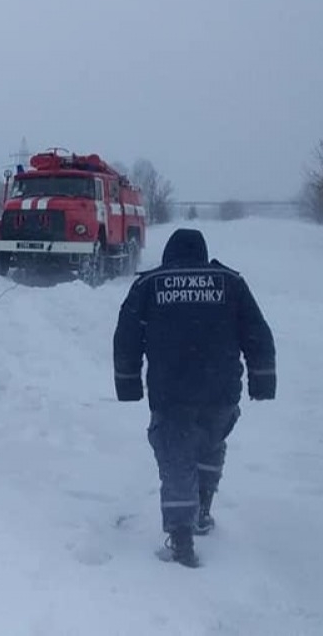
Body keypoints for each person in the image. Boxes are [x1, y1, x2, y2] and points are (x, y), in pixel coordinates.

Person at [112, 228, 276, 568]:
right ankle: (202, 509)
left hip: (172, 394)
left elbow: (126, 338)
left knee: (176, 460)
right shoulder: (230, 282)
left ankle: (182, 536)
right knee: (210, 447)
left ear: (169, 253)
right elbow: (257, 332)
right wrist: (262, 381)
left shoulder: (149, 285)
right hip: (220, 392)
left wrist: (127, 384)